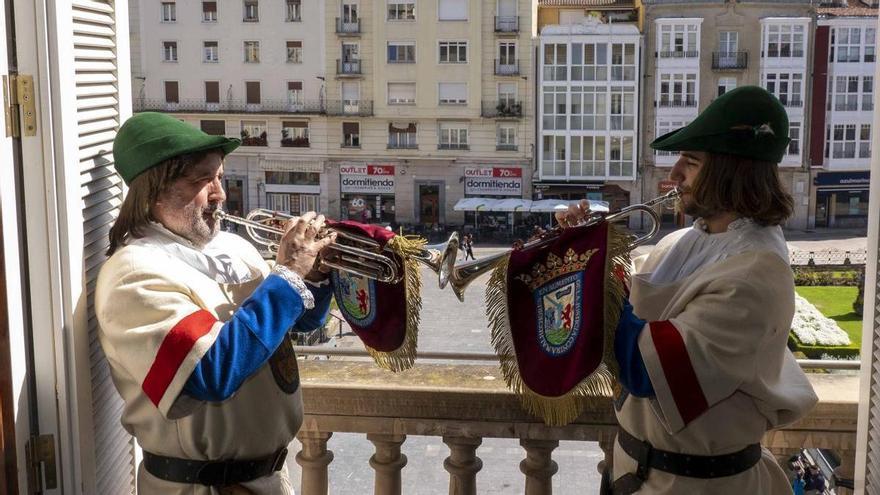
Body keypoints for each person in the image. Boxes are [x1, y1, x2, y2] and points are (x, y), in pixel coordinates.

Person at [556, 87, 818, 494]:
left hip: (694, 484)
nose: (675, 174)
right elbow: (629, 300)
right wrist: (584, 250)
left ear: (732, 171)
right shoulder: (690, 238)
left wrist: (589, 272)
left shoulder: (755, 271)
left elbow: (646, 370)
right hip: (636, 470)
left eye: (691, 162)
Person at [95, 112, 338, 494]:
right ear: (156, 190)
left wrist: (315, 276)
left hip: (269, 478)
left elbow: (298, 324)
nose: (220, 194)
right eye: (202, 180)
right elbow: (210, 372)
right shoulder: (134, 273)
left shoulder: (233, 248)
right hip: (203, 486)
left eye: (219, 177)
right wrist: (289, 272)